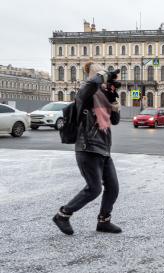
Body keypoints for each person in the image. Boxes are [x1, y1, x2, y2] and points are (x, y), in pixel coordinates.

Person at [52, 62, 122, 235]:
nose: (103, 75)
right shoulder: (84, 93)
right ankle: (63, 215)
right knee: (94, 188)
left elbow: (114, 121)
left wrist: (114, 100)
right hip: (87, 147)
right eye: (99, 73)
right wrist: (104, 76)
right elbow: (92, 85)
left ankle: (104, 221)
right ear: (91, 75)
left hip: (104, 148)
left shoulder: (104, 95)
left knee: (113, 188)